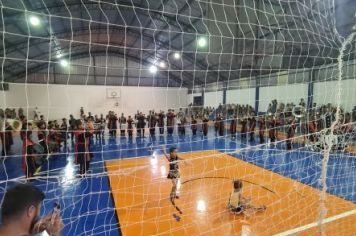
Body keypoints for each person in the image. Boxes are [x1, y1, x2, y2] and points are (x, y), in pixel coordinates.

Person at [161, 146, 187, 211]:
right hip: (172, 173)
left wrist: (184, 160)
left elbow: (180, 158)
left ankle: (174, 194)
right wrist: (163, 149)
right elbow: (165, 154)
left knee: (176, 185)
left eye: (176, 152)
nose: (176, 153)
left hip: (177, 172)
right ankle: (171, 195)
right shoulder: (170, 158)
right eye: (175, 152)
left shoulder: (176, 157)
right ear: (171, 153)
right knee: (174, 185)